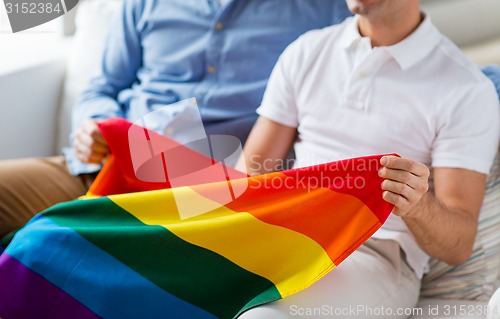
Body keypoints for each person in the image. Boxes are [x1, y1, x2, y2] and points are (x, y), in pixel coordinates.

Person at [0, 0, 353, 238]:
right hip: (103, 165)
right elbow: (103, 86)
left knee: (51, 247)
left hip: (205, 198)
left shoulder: (326, 10)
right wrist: (92, 125)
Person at [236, 0, 500, 318]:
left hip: (375, 252)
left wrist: (417, 205)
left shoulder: (467, 90)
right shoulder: (307, 51)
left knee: (264, 316)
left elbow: (457, 247)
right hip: (288, 230)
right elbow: (246, 179)